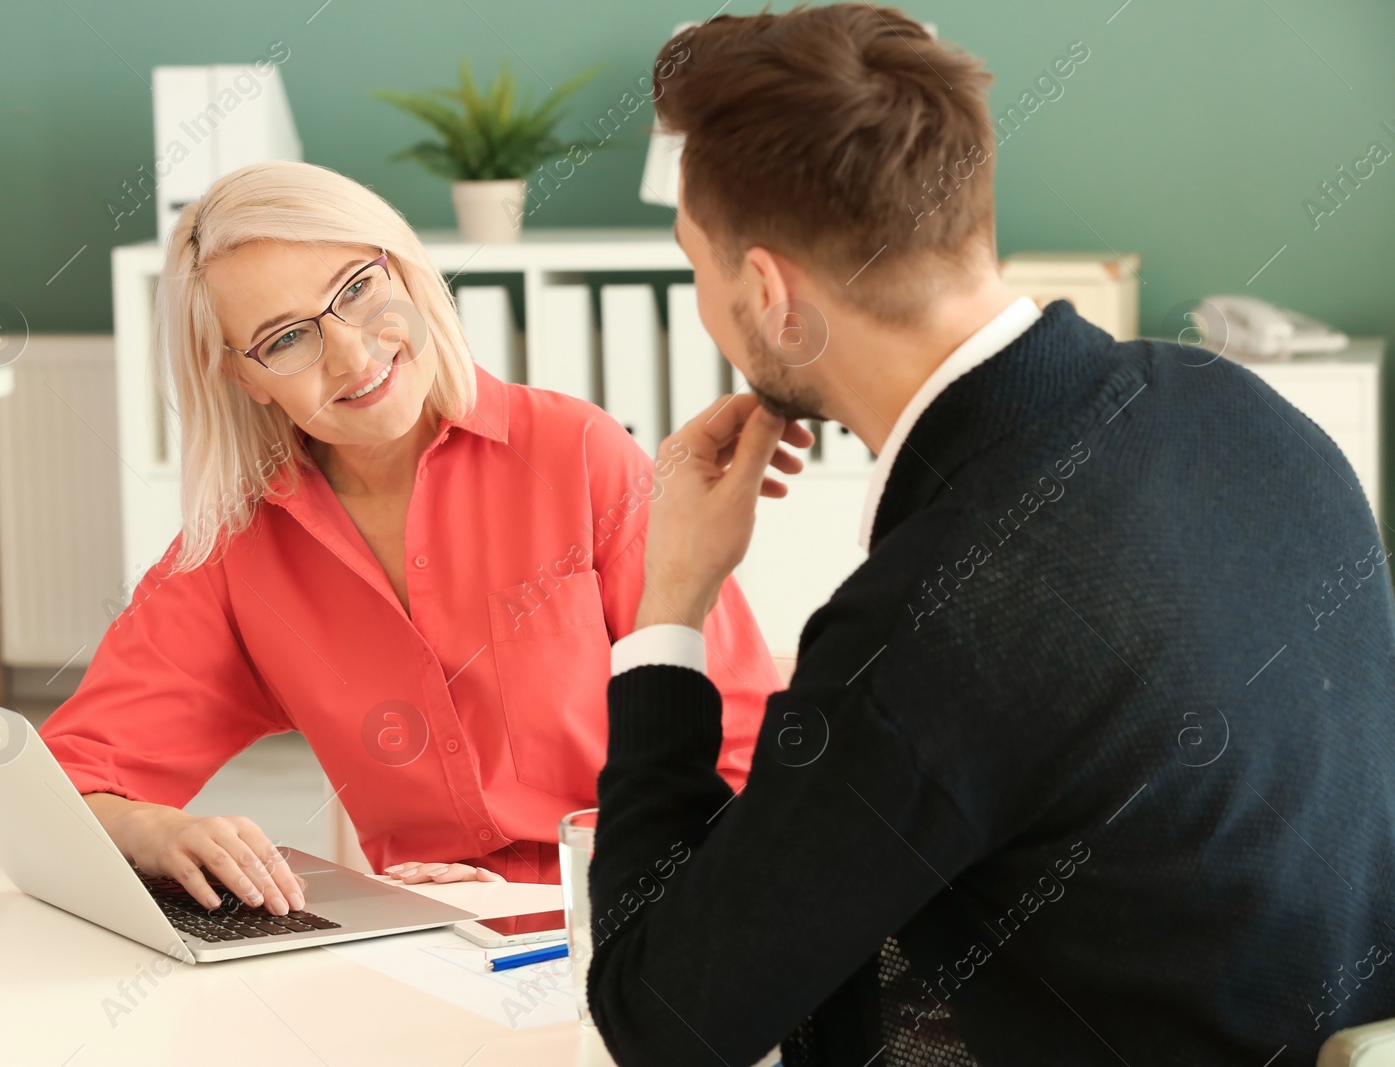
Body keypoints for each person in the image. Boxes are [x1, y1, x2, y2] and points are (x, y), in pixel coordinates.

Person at [587, 6, 1395, 1066]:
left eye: (699, 263)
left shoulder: (926, 631)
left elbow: (662, 1020)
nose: (702, 296)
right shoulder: (1236, 406)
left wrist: (669, 611)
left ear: (773, 293)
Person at [38, 160, 779, 918]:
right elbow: (57, 781)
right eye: (286, 338)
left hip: (646, 927)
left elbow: (748, 755)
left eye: (357, 288)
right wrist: (145, 825)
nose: (354, 356)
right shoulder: (238, 547)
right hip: (428, 950)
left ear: (403, 269)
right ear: (245, 378)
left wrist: (574, 898)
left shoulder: (576, 454)